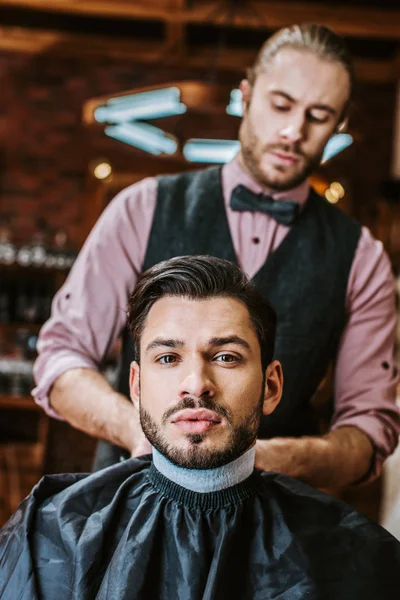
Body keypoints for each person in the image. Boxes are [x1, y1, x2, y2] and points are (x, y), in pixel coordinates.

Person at [33, 23, 399, 488]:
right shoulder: (142, 207)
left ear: (339, 124)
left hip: (275, 528)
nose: (293, 131)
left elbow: (369, 432)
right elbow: (62, 359)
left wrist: (278, 457)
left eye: (319, 115)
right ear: (244, 98)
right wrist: (139, 431)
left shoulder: (362, 257)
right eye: (280, 105)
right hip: (134, 505)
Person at [2, 256, 400, 600]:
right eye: (168, 357)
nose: (195, 383)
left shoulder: (354, 556)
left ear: (271, 386)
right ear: (137, 386)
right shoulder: (51, 533)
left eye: (226, 356)